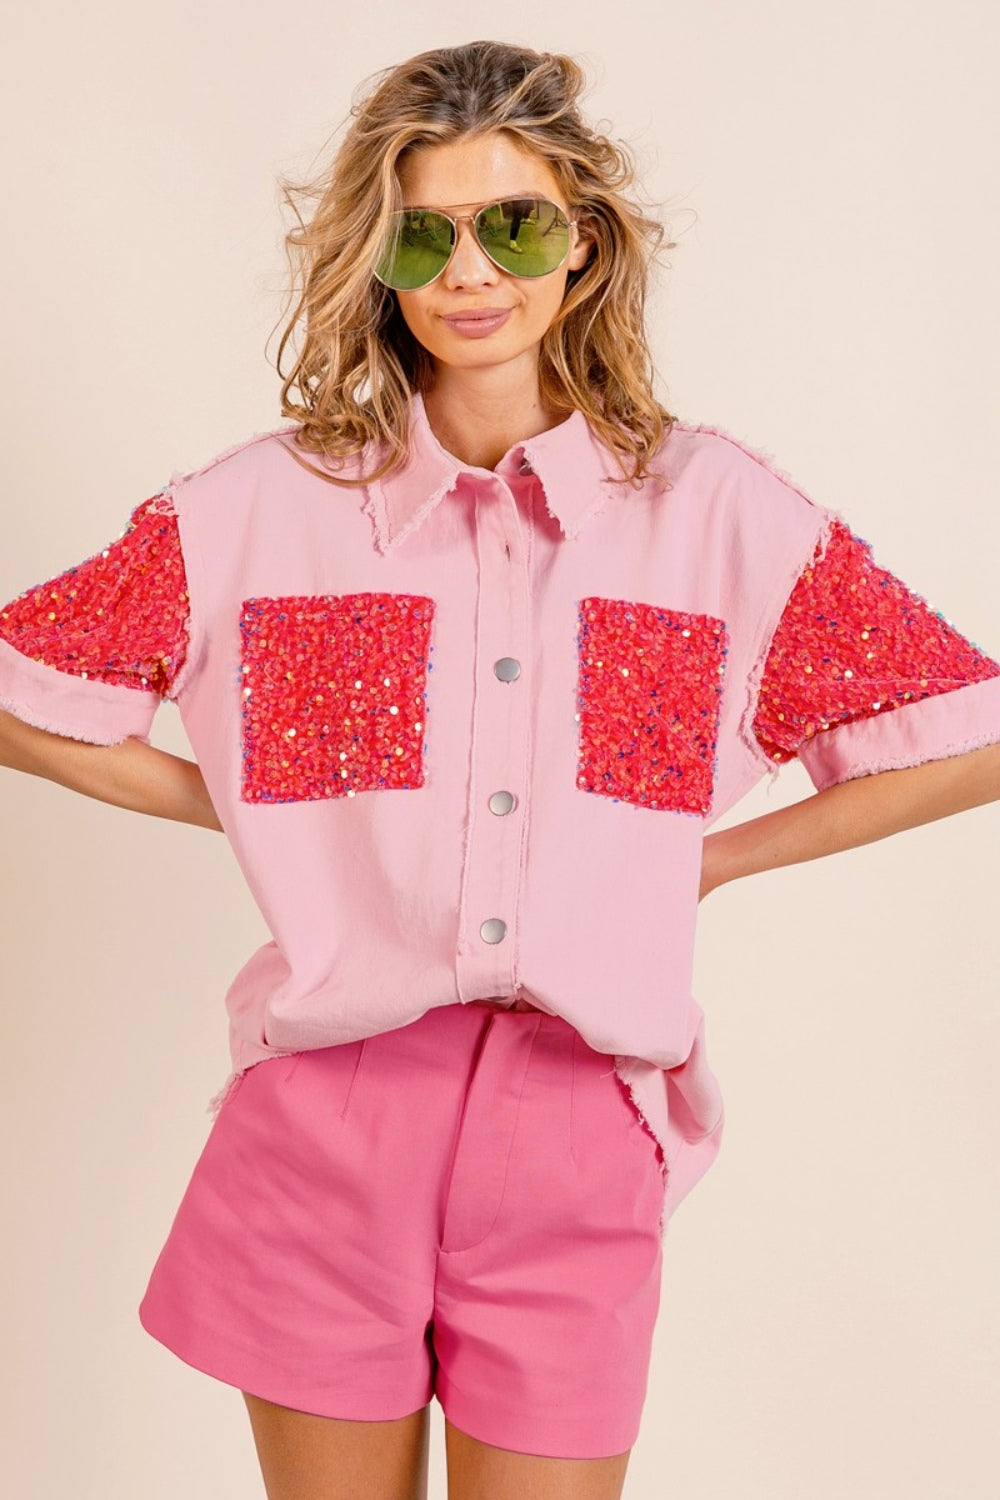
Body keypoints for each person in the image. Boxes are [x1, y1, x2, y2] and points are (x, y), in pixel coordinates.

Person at [1, 37, 998, 1500]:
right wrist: (287, 821)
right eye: (426, 231)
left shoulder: (710, 511)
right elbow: (28, 696)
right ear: (380, 259)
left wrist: (706, 857)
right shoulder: (259, 510)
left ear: (582, 244)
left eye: (515, 223)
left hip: (579, 1125)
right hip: (325, 1118)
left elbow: (963, 734)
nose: (473, 269)